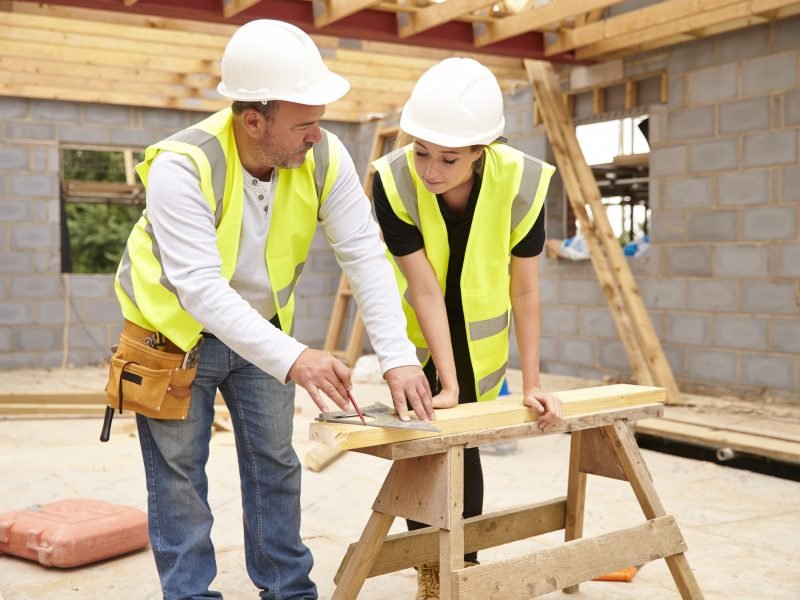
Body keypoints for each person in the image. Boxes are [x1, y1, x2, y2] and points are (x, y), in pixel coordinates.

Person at [113, 19, 434, 600]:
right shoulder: (181, 165)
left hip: (261, 333)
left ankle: (288, 589)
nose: (317, 134)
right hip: (170, 337)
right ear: (253, 120)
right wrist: (297, 360)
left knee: (275, 465)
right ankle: (189, 594)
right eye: (304, 122)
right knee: (180, 477)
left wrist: (398, 357)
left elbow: (363, 253)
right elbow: (200, 291)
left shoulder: (323, 155)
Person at [372, 57, 563, 599]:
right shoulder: (393, 181)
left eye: (449, 158)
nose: (430, 169)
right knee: (425, 446)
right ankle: (432, 575)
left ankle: (465, 564)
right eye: (422, 152)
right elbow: (424, 286)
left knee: (467, 446)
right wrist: (445, 383)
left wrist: (532, 384)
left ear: (483, 151)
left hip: (482, 344)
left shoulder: (523, 182)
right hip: (417, 336)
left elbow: (524, 288)